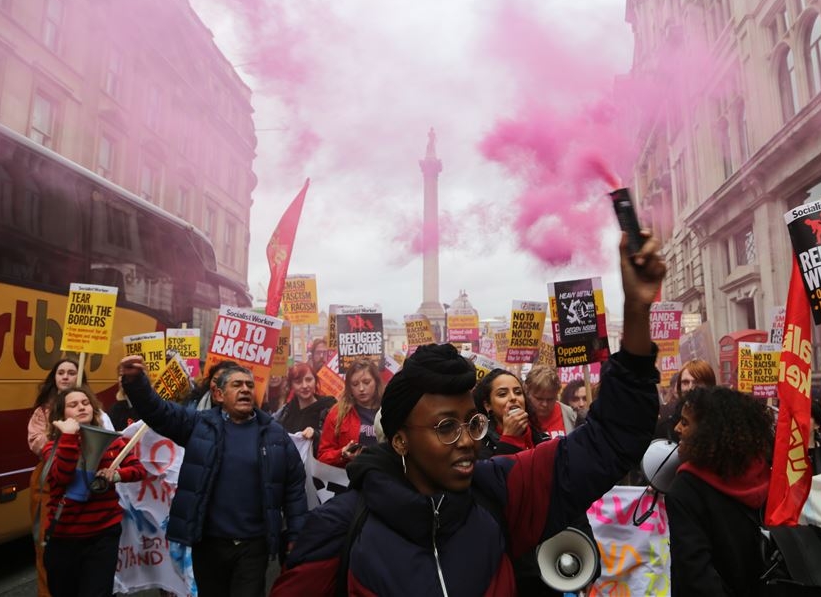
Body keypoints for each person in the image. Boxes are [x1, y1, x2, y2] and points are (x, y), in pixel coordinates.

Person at [271, 231, 665, 595]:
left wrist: (636, 310)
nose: (466, 441)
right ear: (400, 439)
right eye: (445, 427)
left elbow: (612, 439)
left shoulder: (500, 492)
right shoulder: (341, 527)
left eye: (472, 423)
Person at [119, 358, 308, 597]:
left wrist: (296, 536)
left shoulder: (275, 435)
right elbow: (158, 412)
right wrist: (136, 382)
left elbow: (294, 489)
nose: (245, 390)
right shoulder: (199, 425)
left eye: (249, 385)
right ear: (218, 394)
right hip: (209, 543)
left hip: (253, 545)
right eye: (237, 385)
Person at [474, 369, 592, 596]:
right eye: (502, 394)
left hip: (548, 563)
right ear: (487, 405)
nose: (513, 398)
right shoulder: (478, 448)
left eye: (517, 392)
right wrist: (509, 441)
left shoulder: (542, 442)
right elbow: (495, 498)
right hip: (509, 565)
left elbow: (568, 497)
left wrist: (587, 550)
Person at [665, 386, 775, 596]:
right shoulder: (765, 476)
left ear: (708, 432)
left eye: (685, 423)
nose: (677, 428)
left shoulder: (686, 488)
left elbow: (694, 575)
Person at [42, 386, 148, 597]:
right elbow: (63, 476)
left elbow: (139, 470)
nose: (82, 407)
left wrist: (116, 475)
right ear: (62, 414)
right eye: (73, 405)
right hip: (64, 537)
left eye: (85, 403)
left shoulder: (113, 442)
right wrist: (69, 437)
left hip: (103, 536)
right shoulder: (52, 448)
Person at [27, 358, 114, 597]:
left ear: (80, 378)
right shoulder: (42, 412)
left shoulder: (95, 411)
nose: (65, 376)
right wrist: (63, 440)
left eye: (71, 372)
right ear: (54, 378)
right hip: (50, 479)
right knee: (46, 542)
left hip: (89, 481)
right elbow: (36, 442)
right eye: (61, 372)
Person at [317, 359, 383, 468]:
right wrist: (342, 453)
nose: (361, 389)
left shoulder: (389, 408)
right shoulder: (337, 413)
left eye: (366, 382)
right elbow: (322, 456)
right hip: (349, 474)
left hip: (384, 472)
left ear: (376, 382)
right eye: (355, 384)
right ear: (349, 387)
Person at [274, 362, 337, 456]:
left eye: (309, 380)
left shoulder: (328, 407)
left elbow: (336, 437)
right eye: (298, 382)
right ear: (291, 385)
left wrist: (316, 434)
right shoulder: (285, 411)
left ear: (315, 380)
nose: (304, 385)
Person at [654, 359, 717, 441]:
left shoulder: (721, 421)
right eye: (685, 382)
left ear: (710, 385)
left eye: (697, 382)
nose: (690, 388)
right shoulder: (665, 425)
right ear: (679, 387)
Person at [525, 364, 577, 438]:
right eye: (539, 399)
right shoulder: (519, 416)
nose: (545, 404)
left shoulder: (569, 414)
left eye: (550, 399)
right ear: (528, 393)